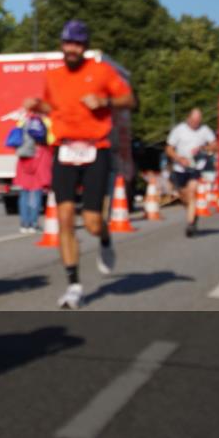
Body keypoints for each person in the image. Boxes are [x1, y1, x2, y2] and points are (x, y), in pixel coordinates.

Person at [22, 20, 135, 309]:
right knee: (64, 217)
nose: (71, 48)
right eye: (67, 43)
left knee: (93, 222)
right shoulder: (54, 75)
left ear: (84, 46)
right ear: (62, 44)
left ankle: (105, 237)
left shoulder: (101, 72)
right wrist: (37, 105)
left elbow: (129, 99)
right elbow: (52, 107)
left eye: (77, 43)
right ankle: (74, 284)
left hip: (95, 149)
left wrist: (104, 100)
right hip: (64, 150)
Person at [165, 108, 218, 237]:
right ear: (188, 118)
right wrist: (179, 158)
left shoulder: (205, 130)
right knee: (184, 197)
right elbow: (169, 149)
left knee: (192, 192)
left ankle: (190, 224)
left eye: (198, 121)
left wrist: (203, 148)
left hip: (196, 167)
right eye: (194, 120)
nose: (196, 123)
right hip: (180, 167)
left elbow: (215, 145)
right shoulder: (179, 130)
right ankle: (192, 214)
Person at [12, 110, 53, 233]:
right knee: (36, 194)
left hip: (25, 158)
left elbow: (16, 139)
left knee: (24, 194)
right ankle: (33, 223)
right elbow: (51, 140)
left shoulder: (22, 121)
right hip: (40, 156)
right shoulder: (46, 120)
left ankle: (24, 223)